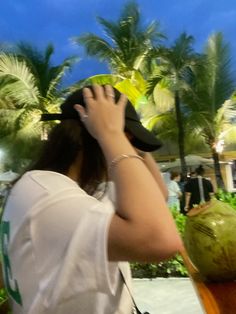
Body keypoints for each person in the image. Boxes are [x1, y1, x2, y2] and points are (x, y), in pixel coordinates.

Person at [1, 85, 182, 314]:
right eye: (130, 147)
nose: (131, 153)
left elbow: (158, 197)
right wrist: (113, 135)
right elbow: (160, 241)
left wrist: (129, 139)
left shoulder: (63, 191)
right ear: (94, 139)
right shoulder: (49, 195)